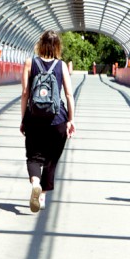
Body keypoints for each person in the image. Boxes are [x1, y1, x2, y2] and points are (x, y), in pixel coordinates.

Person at [21, 31, 75, 213]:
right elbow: (68, 94)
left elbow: (25, 94)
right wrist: (71, 120)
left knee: (34, 157)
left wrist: (23, 119)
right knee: (51, 160)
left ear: (40, 44)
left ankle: (35, 183)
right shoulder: (61, 66)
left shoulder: (30, 63)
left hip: (34, 118)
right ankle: (42, 196)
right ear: (58, 46)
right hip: (57, 118)